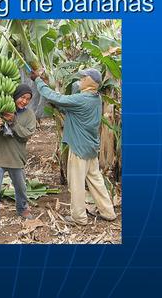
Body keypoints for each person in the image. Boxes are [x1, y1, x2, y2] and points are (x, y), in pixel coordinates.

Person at [30, 68, 116, 226]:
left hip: (78, 148)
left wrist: (38, 81)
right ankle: (108, 212)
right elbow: (72, 110)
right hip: (90, 148)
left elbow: (56, 97)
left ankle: (79, 217)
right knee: (96, 181)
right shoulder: (96, 98)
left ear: (91, 81)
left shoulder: (83, 98)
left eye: (84, 77)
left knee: (76, 184)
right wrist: (58, 107)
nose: (81, 79)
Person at [0, 84, 37, 244]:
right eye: (22, 97)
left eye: (28, 99)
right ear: (15, 95)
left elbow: (26, 135)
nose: (24, 101)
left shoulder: (29, 115)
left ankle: (22, 208)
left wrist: (13, 122)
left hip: (16, 158)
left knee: (21, 188)